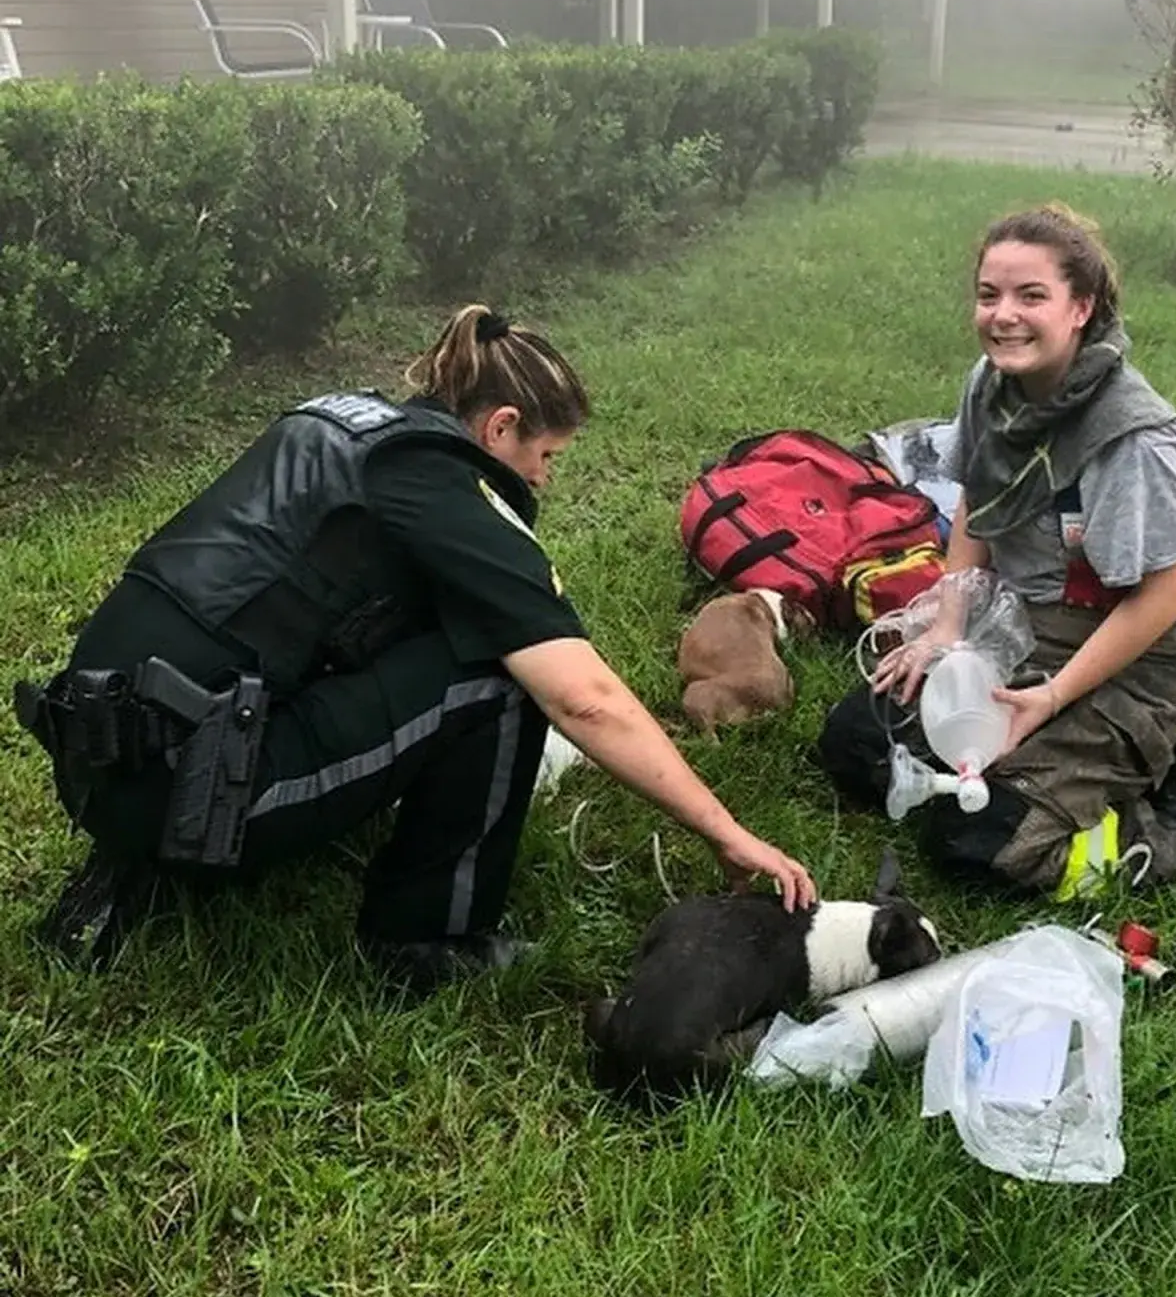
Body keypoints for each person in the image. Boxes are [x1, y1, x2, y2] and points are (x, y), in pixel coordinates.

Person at [17, 305, 815, 989]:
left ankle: (149, 844)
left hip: (94, 757)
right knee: (501, 679)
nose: (545, 481)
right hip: (186, 797)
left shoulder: (337, 420)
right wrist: (724, 831)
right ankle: (426, 939)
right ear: (500, 426)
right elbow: (583, 697)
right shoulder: (439, 479)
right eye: (547, 457)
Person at [818, 205, 1176, 895]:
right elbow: (978, 499)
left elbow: (1168, 594)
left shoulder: (1131, 437)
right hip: (1021, 624)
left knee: (977, 845)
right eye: (989, 294)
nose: (1004, 316)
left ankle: (1156, 823)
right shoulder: (993, 386)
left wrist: (1050, 699)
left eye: (1032, 296)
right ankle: (1012, 772)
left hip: (1128, 661)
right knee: (853, 738)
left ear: (1081, 307)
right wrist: (947, 627)